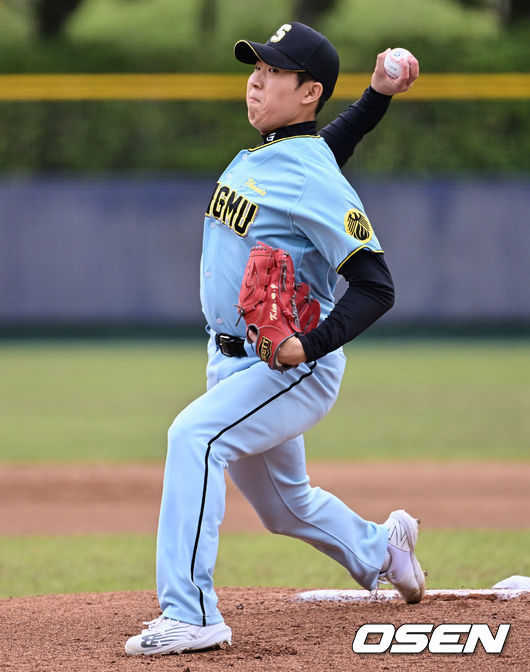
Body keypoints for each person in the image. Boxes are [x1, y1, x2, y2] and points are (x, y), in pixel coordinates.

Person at [125, 22, 423, 656]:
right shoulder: (277, 153)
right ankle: (383, 547)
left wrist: (308, 347)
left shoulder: (307, 172)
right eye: (254, 67)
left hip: (287, 368)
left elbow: (377, 286)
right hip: (231, 361)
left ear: (308, 92)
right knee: (285, 507)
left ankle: (192, 614)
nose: (256, 79)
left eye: (273, 71)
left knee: (194, 438)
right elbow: (322, 151)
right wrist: (376, 97)